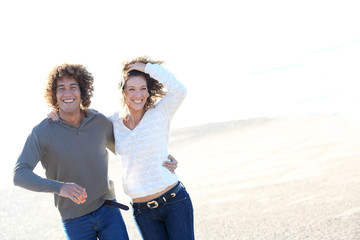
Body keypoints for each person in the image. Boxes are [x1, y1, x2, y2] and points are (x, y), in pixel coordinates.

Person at [13, 63, 177, 240]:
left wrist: (165, 159)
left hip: (108, 211)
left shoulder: (99, 122)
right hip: (74, 220)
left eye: (73, 87)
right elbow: (20, 174)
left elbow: (131, 149)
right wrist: (60, 187)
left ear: (82, 91)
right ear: (54, 94)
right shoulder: (42, 132)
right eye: (61, 89)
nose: (67, 93)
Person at [110, 56, 194, 240]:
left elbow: (179, 90)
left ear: (148, 92)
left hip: (174, 202)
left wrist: (148, 68)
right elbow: (83, 126)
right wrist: (55, 114)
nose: (137, 95)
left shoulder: (160, 113)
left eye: (143, 89)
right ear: (123, 92)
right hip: (142, 212)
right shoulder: (113, 122)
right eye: (131, 89)